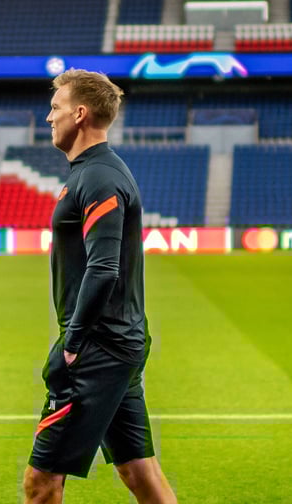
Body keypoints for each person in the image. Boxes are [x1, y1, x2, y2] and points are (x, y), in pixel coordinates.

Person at [23, 69, 177, 504]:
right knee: (139, 472)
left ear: (81, 113)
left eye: (55, 108)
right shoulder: (93, 172)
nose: (48, 117)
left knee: (41, 482)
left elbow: (104, 267)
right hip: (116, 343)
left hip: (99, 348)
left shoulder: (99, 177)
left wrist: (72, 344)